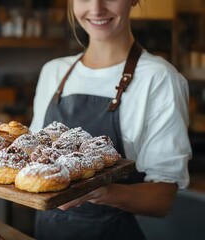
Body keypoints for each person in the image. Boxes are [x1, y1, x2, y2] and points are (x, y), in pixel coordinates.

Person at [29, 0, 192, 239]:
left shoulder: (159, 79)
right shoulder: (53, 72)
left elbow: (162, 199)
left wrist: (101, 193)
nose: (96, 9)